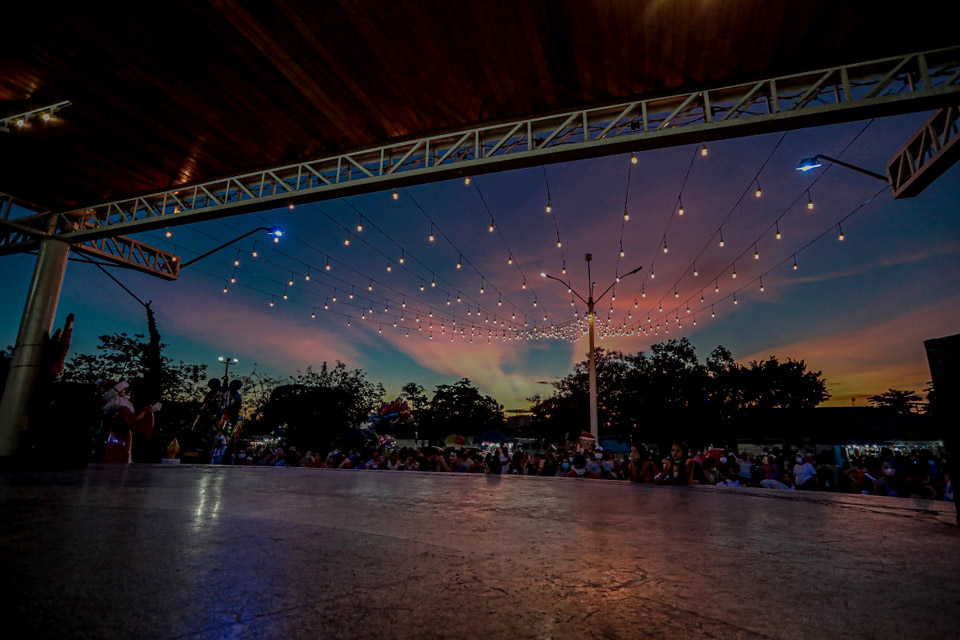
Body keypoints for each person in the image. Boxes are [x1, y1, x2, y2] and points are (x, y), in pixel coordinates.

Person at [101, 380, 158, 464]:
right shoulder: (121, 407)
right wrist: (146, 412)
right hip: (119, 435)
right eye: (123, 389)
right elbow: (132, 420)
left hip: (116, 433)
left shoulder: (116, 406)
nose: (125, 391)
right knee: (118, 457)